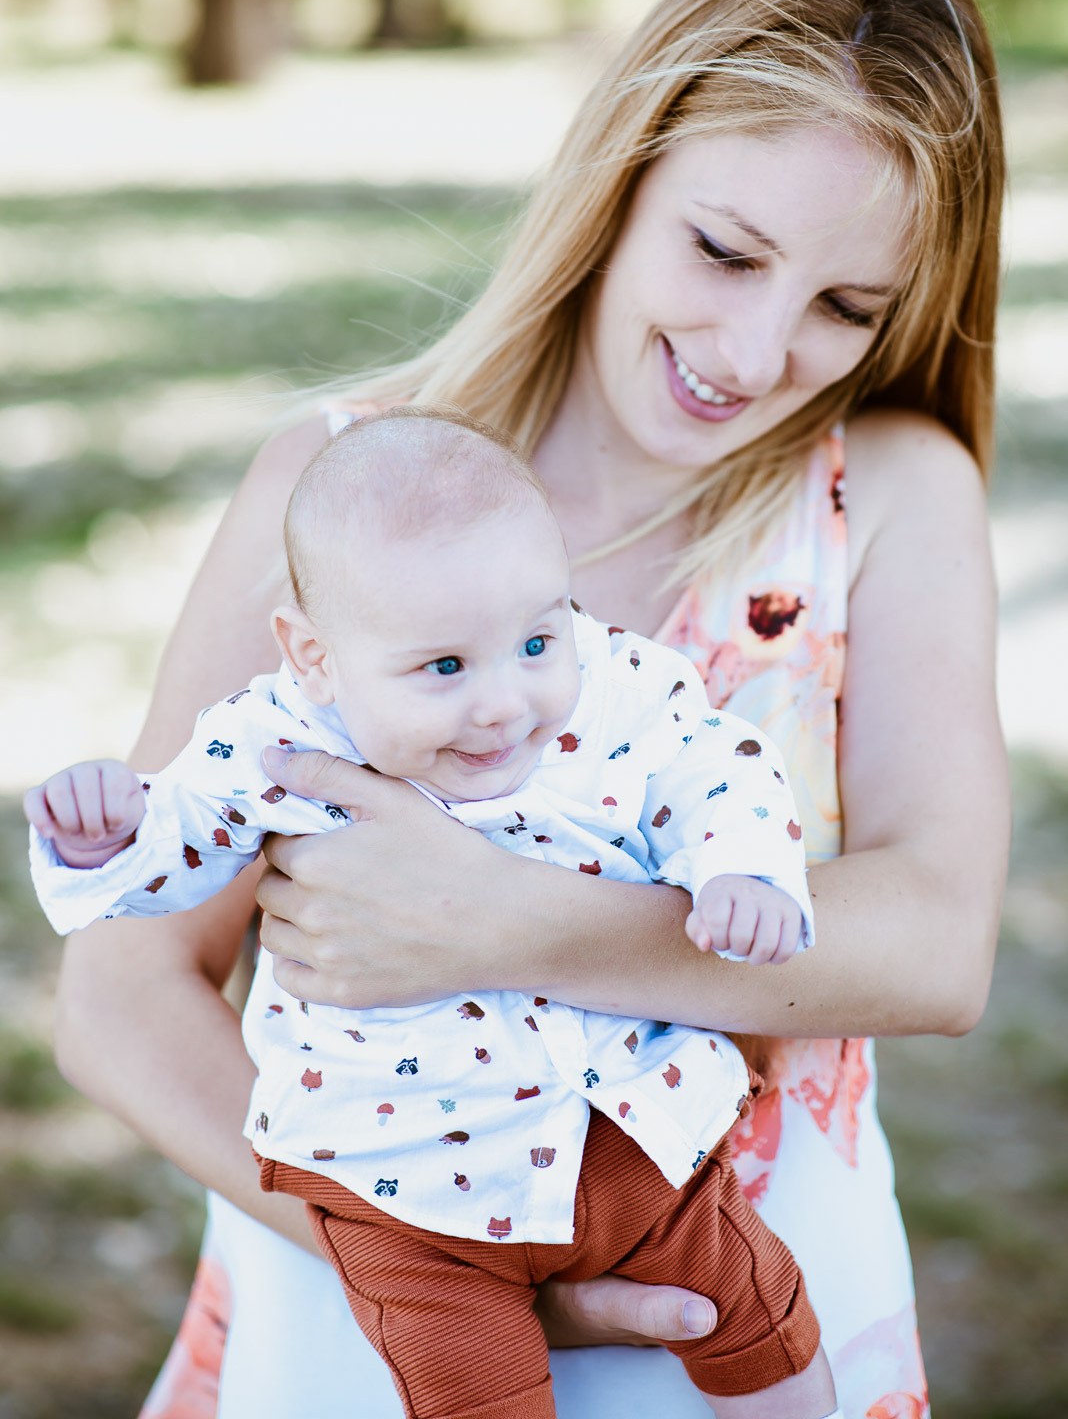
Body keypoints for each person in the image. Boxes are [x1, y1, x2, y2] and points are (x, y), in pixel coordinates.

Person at [51, 0, 1009, 1419]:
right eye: (724, 250)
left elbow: (938, 943)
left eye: (845, 308)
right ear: (620, 175)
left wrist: (504, 922)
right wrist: (438, 1255)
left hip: (750, 1294)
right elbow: (121, 985)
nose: (756, 354)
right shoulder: (336, 494)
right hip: (375, 1299)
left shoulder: (881, 495)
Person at [30, 409, 840, 1419]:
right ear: (317, 657)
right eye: (446, 667)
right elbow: (181, 838)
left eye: (538, 637)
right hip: (398, 1185)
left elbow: (718, 766)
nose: (506, 701)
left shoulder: (615, 685)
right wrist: (108, 832)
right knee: (464, 1383)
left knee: (749, 1297)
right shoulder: (276, 738)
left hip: (621, 1123)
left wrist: (744, 869)